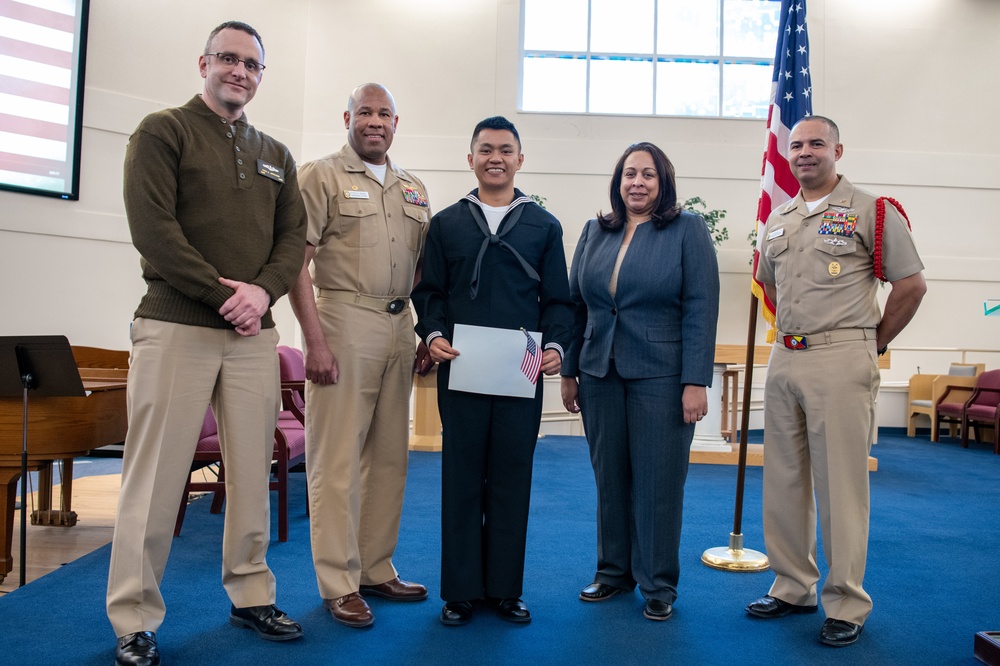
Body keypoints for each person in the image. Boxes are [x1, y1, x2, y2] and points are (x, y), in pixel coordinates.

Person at [107, 21, 307, 666]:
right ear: (204, 62)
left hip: (253, 336)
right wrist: (226, 295)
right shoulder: (163, 131)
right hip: (176, 326)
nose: (239, 71)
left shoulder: (275, 150)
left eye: (252, 64)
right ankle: (134, 618)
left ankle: (251, 595)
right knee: (156, 479)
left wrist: (262, 294)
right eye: (228, 58)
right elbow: (153, 229)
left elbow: (291, 239)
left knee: (251, 472)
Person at [746, 116, 926, 647]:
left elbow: (911, 285)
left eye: (816, 143)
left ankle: (846, 601)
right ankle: (792, 585)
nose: (804, 152)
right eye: (796, 144)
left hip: (842, 357)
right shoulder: (778, 217)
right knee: (783, 478)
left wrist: (872, 344)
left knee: (842, 485)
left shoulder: (872, 211)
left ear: (837, 150)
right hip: (786, 356)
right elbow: (776, 289)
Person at [411, 116, 573, 626]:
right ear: (471, 158)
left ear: (520, 160)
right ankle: (459, 591)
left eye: (506, 150)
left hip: (520, 372)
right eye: (485, 149)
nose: (495, 157)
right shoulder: (446, 224)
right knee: (461, 478)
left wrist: (556, 347)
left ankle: (504, 589)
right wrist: (433, 334)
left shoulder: (543, 225)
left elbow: (560, 302)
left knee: (510, 478)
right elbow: (429, 291)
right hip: (459, 373)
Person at [288, 83, 432, 629]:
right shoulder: (320, 175)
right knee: (338, 460)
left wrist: (417, 330)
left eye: (385, 114)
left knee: (391, 456)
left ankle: (375, 566)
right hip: (344, 321)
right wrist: (315, 341)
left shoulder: (412, 187)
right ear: (347, 117)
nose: (375, 121)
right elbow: (295, 263)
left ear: (397, 122)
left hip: (400, 325)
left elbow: (421, 268)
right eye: (365, 112)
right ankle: (338, 581)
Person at [560, 142, 720, 622]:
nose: (637, 182)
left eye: (648, 175)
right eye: (630, 173)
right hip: (598, 373)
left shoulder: (687, 230)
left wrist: (696, 381)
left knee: (658, 482)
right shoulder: (594, 231)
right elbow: (576, 305)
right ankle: (612, 574)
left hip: (663, 376)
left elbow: (701, 307)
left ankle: (657, 583)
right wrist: (570, 370)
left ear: (662, 181)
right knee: (610, 478)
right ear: (618, 181)